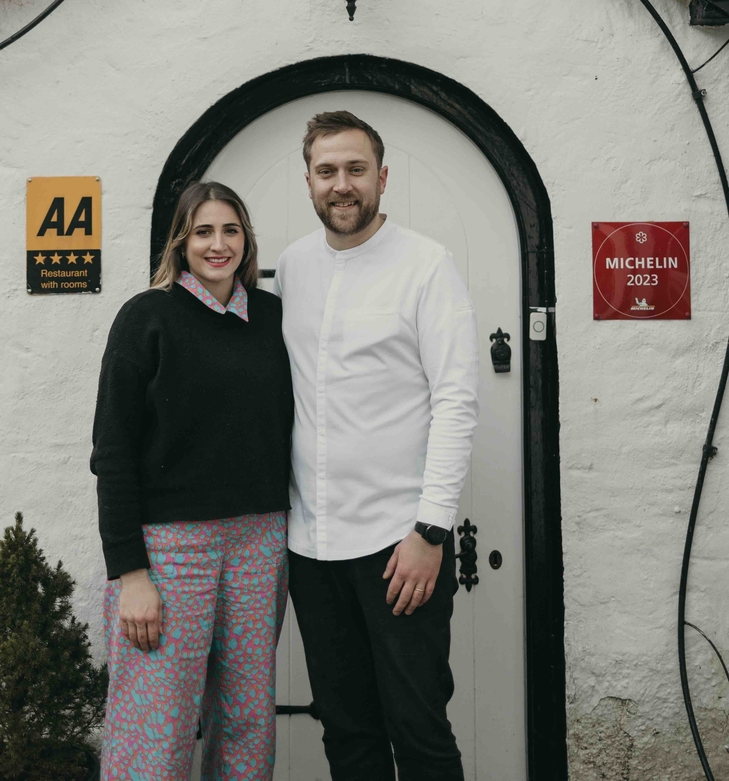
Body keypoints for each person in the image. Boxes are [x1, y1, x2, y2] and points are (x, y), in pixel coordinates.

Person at [274, 111, 480, 781]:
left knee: (418, 726)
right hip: (312, 546)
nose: (342, 184)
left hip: (400, 546)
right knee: (347, 729)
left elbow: (456, 401)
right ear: (307, 180)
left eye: (356, 169)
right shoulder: (293, 267)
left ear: (382, 177)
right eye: (327, 170)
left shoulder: (427, 265)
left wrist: (429, 530)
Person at [90, 180, 293, 781]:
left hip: (260, 542)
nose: (217, 244)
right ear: (180, 243)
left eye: (230, 230)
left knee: (247, 719)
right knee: (157, 722)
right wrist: (131, 573)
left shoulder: (272, 317)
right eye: (203, 231)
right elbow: (113, 453)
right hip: (171, 551)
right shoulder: (146, 318)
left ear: (247, 240)